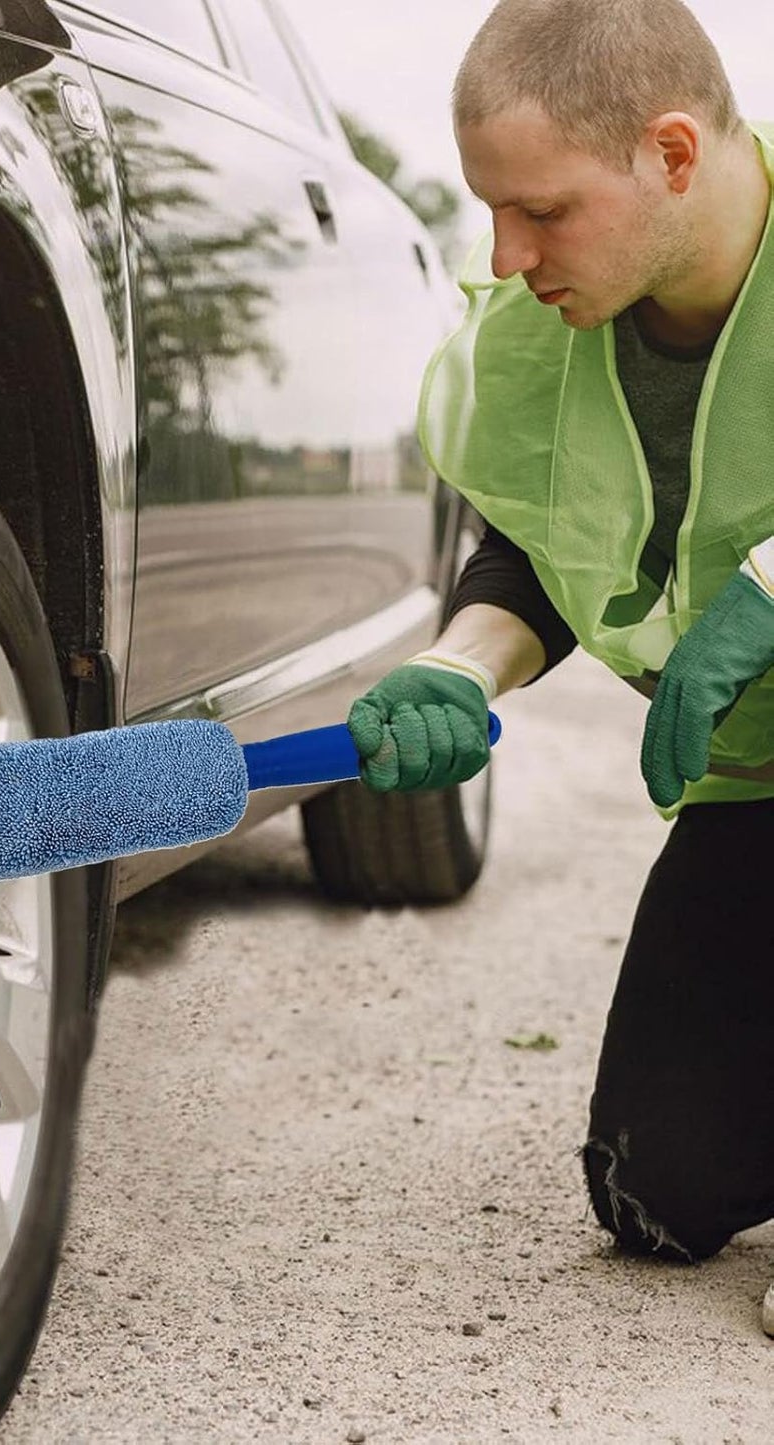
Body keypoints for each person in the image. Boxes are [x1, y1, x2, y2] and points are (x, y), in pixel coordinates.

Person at [346, 0, 774, 1336]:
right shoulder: (542, 341)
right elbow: (529, 548)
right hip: (752, 788)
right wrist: (460, 671)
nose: (505, 253)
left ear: (671, 154)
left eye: (540, 211)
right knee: (655, 1188)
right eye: (490, 210)